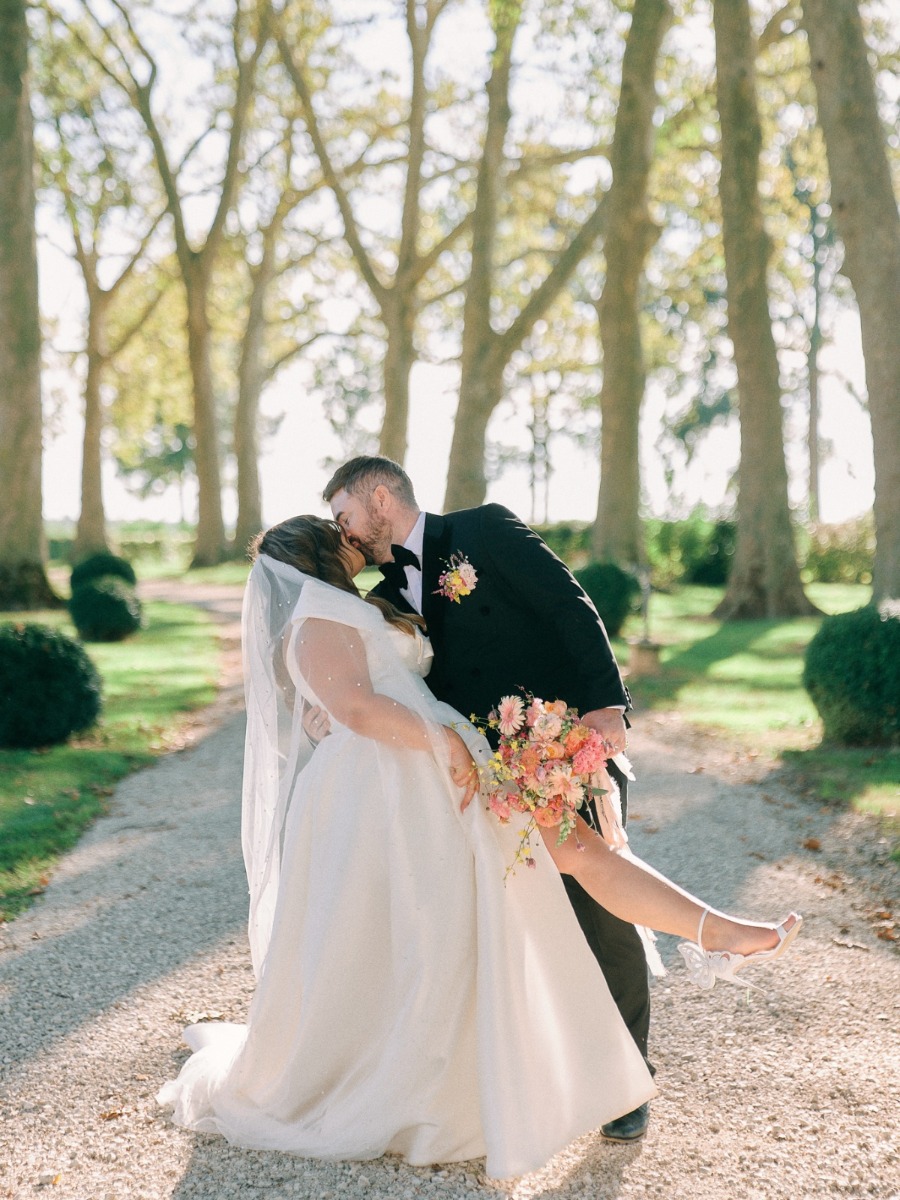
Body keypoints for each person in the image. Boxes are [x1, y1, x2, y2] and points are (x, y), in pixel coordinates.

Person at [158, 515, 802, 1180]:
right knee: (475, 909)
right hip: (396, 784)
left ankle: (714, 932)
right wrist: (443, 745)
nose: (351, 533)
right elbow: (353, 710)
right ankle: (445, 1081)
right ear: (323, 552)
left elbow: (401, 680)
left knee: (567, 855)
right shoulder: (318, 618)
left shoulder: (365, 601)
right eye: (339, 530)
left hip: (442, 768)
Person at [323, 455, 649, 1140]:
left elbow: (571, 607)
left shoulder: (486, 530)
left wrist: (606, 707)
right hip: (479, 778)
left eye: (346, 515)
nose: (344, 532)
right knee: (512, 924)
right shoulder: (376, 593)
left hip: (562, 751)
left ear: (381, 497)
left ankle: (627, 1087)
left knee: (601, 912)